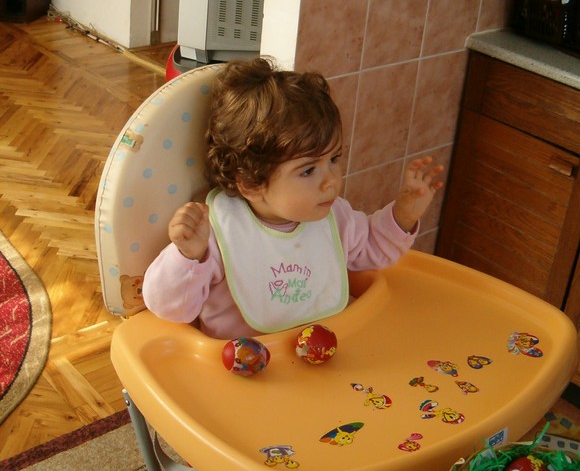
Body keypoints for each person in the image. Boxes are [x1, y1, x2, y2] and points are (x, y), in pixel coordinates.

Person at [142, 57, 444, 339]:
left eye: (334, 159)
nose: (331, 180)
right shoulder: (219, 235)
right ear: (251, 183)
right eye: (308, 170)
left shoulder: (334, 218)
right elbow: (170, 309)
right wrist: (188, 256)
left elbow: (372, 249)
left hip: (323, 357)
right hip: (245, 369)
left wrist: (404, 214)